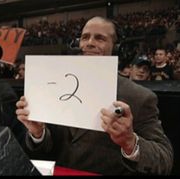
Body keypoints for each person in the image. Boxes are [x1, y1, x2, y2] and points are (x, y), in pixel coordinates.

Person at [16, 17, 173, 175]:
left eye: (100, 38)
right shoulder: (56, 87)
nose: (89, 43)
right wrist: (38, 133)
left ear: (117, 48)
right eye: (85, 37)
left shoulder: (139, 97)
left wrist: (130, 142)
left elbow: (164, 160)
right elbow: (48, 148)